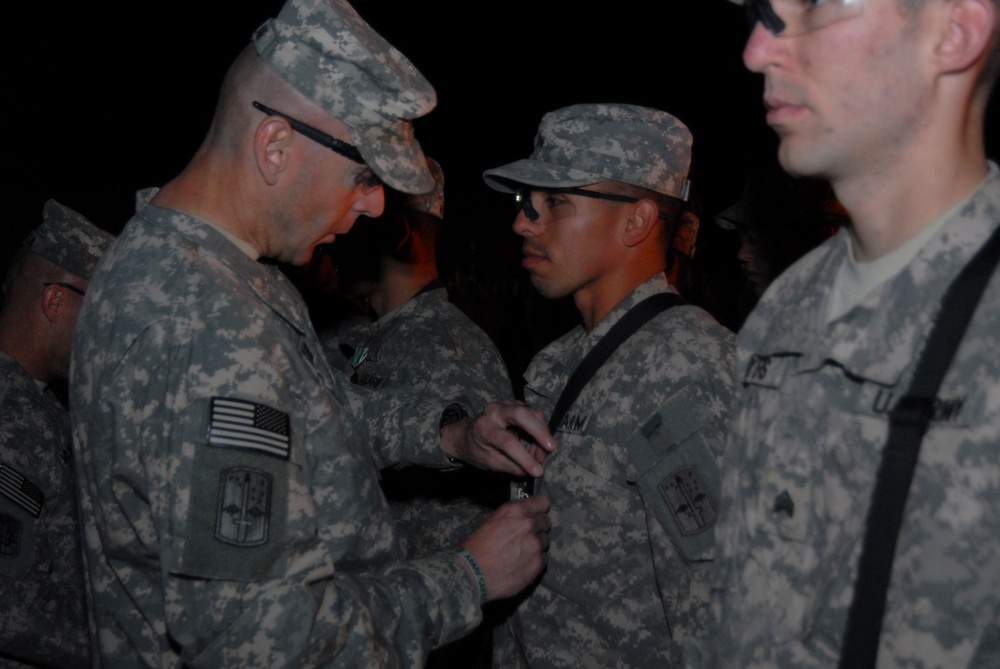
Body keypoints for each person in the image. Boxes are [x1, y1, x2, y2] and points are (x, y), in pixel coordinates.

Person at [70, 1, 553, 666]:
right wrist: (466, 575)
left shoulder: (223, 272)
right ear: (275, 146)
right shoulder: (202, 319)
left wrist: (446, 435)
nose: (376, 204)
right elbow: (269, 641)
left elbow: (307, 418)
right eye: (362, 175)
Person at [715, 0, 1000, 667]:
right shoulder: (782, 312)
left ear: (955, 32)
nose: (758, 51)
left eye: (812, 4)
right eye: (762, 14)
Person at [482, 103, 736, 668]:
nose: (523, 221)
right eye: (527, 202)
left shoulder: (686, 370)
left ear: (637, 221)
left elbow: (722, 613)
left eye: (557, 202)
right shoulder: (560, 360)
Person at [321, 158, 513, 558]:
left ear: (396, 234)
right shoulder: (355, 331)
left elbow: (467, 537)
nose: (335, 234)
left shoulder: (447, 349)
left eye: (354, 216)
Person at [0, 200, 114, 667]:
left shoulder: (40, 407)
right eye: (100, 313)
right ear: (54, 301)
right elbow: (8, 603)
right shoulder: (10, 419)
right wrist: (122, 645)